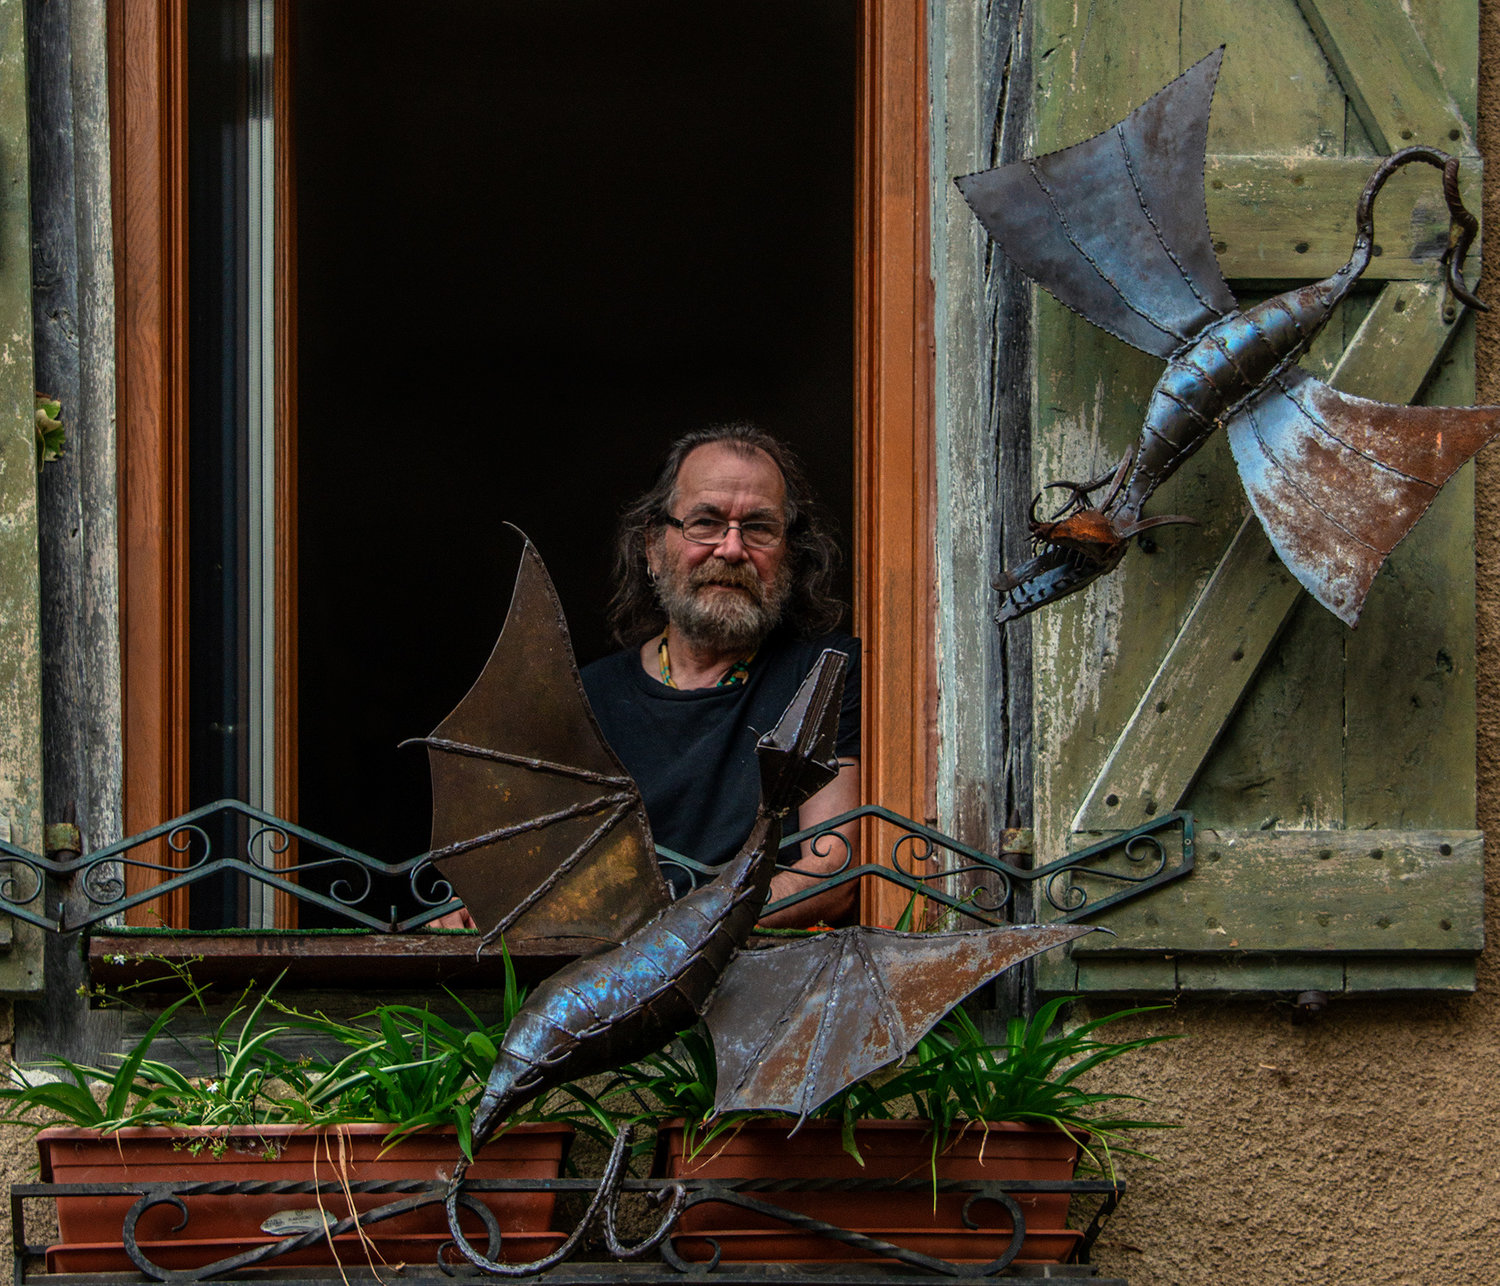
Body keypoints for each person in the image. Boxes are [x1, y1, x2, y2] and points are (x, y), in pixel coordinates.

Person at [580, 424, 860, 928]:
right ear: (653, 546)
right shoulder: (587, 698)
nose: (732, 549)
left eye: (758, 527)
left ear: (789, 554)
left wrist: (682, 930)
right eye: (706, 522)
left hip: (766, 979)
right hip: (605, 981)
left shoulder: (826, 672)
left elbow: (830, 873)